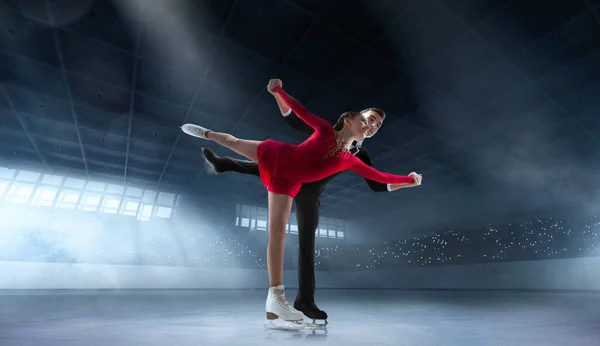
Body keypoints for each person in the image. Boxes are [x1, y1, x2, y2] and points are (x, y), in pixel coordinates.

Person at [180, 79, 422, 329]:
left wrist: (408, 180)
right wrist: (278, 91)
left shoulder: (354, 158)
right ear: (350, 118)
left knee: (287, 232)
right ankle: (207, 135)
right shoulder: (327, 129)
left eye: (377, 125)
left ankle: (291, 300)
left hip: (298, 186)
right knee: (236, 144)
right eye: (367, 119)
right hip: (280, 155)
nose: (370, 126)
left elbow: (379, 180)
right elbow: (298, 112)